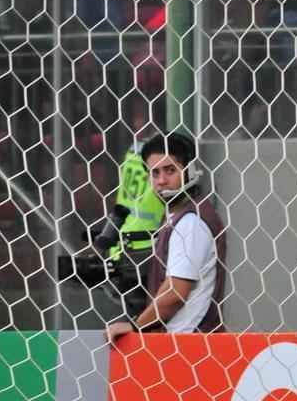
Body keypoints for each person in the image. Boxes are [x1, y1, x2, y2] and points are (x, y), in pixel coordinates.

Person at [106, 132, 226, 346]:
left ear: (189, 170)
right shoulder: (176, 215)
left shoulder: (190, 223)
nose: (162, 181)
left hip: (190, 346)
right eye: (155, 173)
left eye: (170, 170)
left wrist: (134, 327)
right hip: (181, 344)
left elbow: (174, 293)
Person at [92, 135, 166, 321]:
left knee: (138, 316)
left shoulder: (133, 151)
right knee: (146, 320)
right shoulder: (159, 160)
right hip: (143, 253)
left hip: (121, 248)